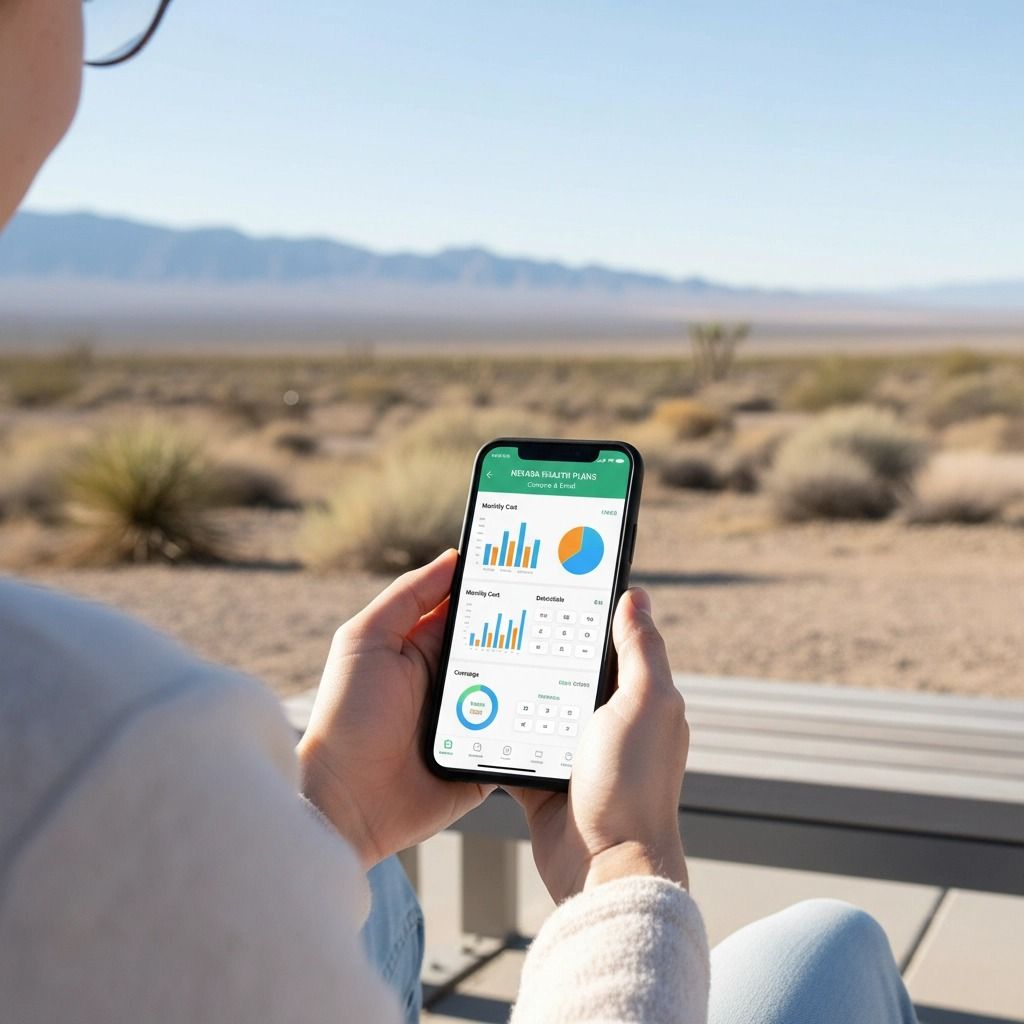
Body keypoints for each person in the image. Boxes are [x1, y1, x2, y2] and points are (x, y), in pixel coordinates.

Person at [0, 3, 919, 1021]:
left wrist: (337, 811)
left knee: (372, 883)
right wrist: (624, 860)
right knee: (831, 943)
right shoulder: (85, 749)